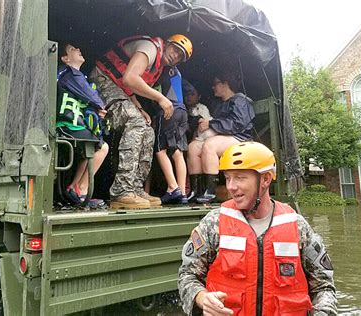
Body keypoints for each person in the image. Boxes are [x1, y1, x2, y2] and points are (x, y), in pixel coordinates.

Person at [178, 141, 337, 316]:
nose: (231, 186)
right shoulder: (214, 224)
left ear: (266, 179)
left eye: (239, 177)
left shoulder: (298, 227)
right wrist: (202, 298)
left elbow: (324, 287)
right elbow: (187, 276)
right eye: (228, 178)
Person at [90, 34, 193, 209]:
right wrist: (161, 98)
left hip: (119, 89)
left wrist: (140, 108)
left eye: (180, 56)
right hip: (101, 79)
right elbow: (130, 78)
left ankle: (135, 188)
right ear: (167, 44)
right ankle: (122, 191)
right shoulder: (150, 48)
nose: (176, 55)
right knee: (136, 123)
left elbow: (128, 88)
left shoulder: (159, 67)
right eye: (175, 49)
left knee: (147, 128)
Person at [187, 71, 255, 204]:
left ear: (226, 83)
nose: (213, 87)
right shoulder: (218, 104)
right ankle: (196, 191)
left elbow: (237, 124)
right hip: (222, 137)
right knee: (193, 147)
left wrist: (211, 123)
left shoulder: (240, 100)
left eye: (215, 84)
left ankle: (210, 192)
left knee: (210, 145)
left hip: (240, 138)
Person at [56, 43, 109, 207]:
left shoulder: (68, 75)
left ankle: (74, 187)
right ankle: (82, 189)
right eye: (73, 49)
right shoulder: (71, 73)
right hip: (67, 124)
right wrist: (100, 107)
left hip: (71, 125)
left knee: (91, 146)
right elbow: (93, 98)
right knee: (102, 147)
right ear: (65, 59)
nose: (79, 49)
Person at [153, 66, 189, 204]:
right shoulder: (177, 71)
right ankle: (183, 193)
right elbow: (190, 89)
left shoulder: (162, 68)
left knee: (160, 149)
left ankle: (173, 188)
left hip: (169, 110)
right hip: (182, 110)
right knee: (176, 151)